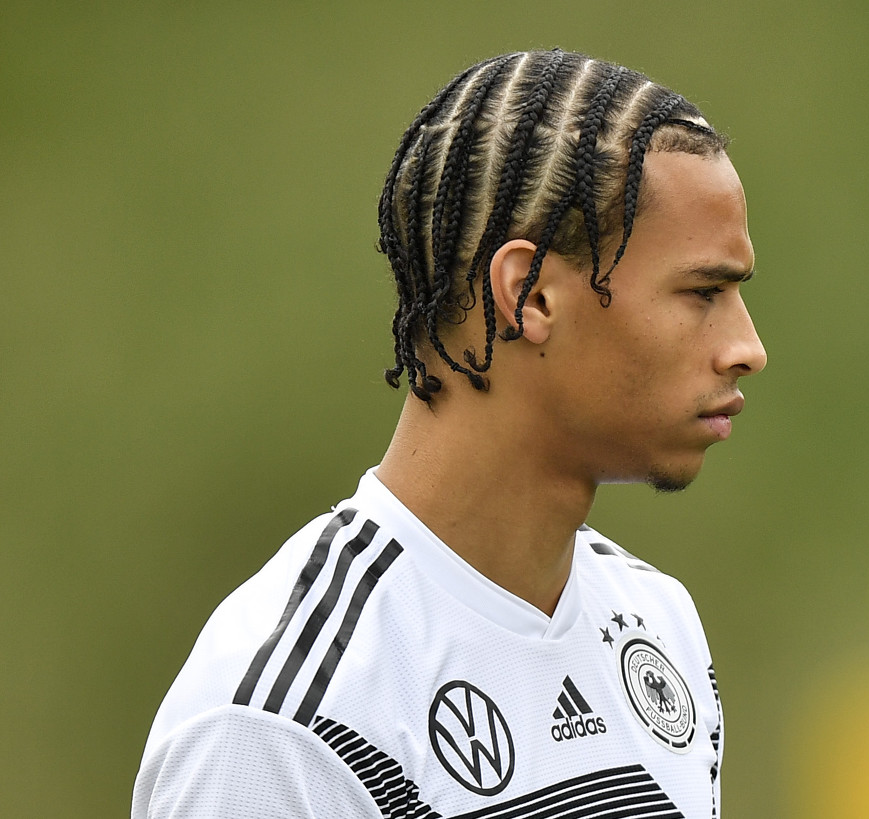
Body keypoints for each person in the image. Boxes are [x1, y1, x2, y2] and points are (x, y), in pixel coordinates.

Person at [131, 49, 767, 819]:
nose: (748, 348)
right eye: (704, 291)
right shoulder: (284, 724)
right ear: (529, 295)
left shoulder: (657, 622)